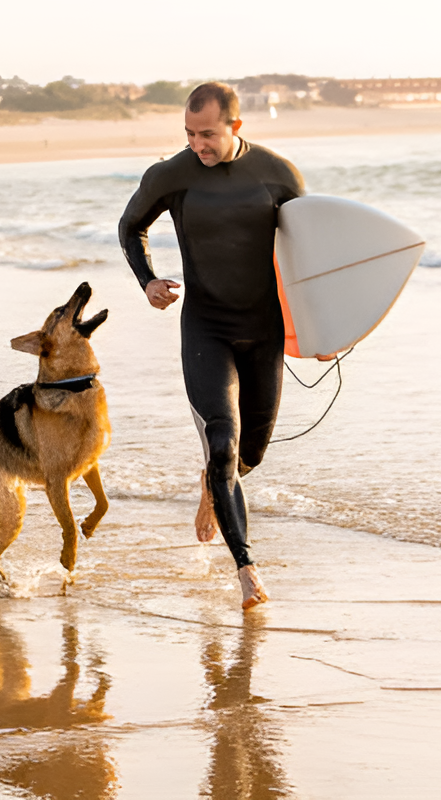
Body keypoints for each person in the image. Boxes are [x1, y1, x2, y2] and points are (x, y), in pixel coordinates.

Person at [118, 82, 304, 609]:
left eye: (207, 134)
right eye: (189, 134)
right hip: (207, 328)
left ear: (235, 127)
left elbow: (310, 257)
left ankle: (211, 484)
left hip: (263, 331)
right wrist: (148, 281)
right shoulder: (170, 176)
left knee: (250, 454)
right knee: (223, 441)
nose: (197, 144)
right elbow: (131, 227)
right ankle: (246, 568)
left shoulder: (277, 174)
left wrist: (318, 330)